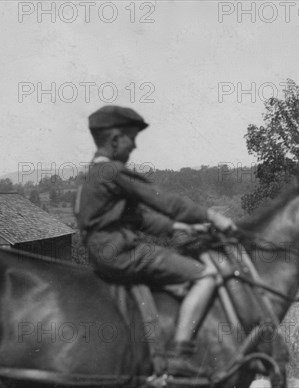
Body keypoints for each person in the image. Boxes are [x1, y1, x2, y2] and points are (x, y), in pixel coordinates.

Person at [74, 105, 236, 377]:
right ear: (115, 139)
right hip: (121, 252)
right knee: (206, 275)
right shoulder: (114, 172)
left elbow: (139, 219)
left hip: (102, 252)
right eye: (131, 138)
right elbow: (165, 201)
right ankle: (180, 354)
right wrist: (213, 217)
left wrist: (178, 228)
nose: (135, 146)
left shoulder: (93, 176)